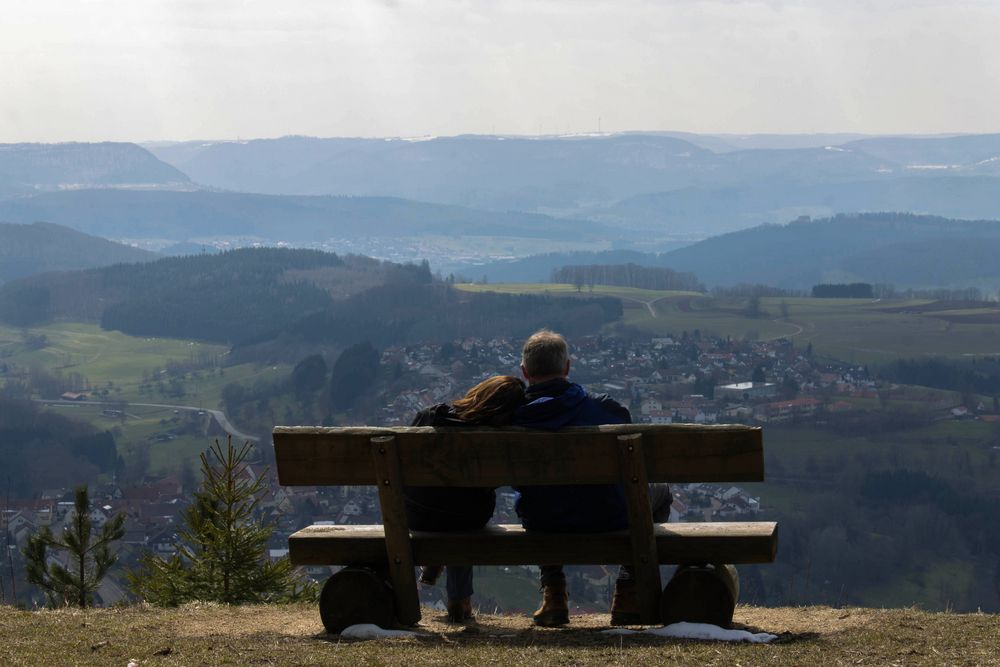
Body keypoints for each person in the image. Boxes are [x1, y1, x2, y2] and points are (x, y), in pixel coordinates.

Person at [512, 329, 672, 627]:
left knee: (542, 499)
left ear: (524, 373)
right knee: (661, 491)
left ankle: (554, 594)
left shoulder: (514, 419)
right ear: (567, 367)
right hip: (608, 515)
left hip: (543, 520)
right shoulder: (607, 410)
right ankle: (628, 590)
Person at [403, 375, 526, 622]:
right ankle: (459, 600)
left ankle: (435, 563)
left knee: (451, 503)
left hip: (416, 514)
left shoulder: (431, 415)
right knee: (464, 506)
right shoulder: (496, 439)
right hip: (466, 517)